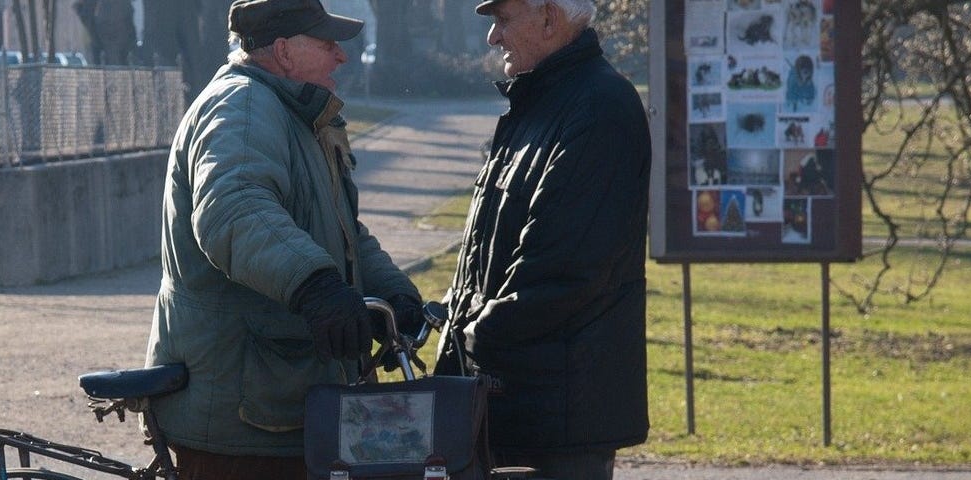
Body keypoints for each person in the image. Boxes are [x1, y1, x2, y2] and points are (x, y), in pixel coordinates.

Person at [144, 0, 424, 479]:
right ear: (284, 52)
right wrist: (316, 287)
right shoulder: (244, 107)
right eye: (327, 44)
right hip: (245, 422)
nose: (342, 56)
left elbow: (342, 230)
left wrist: (396, 292)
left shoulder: (293, 113)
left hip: (282, 404)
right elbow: (234, 211)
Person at [433, 0, 652, 479]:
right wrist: (443, 317)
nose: (493, 38)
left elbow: (561, 272)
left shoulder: (599, 108)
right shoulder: (538, 104)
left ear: (550, 19)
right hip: (514, 406)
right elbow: (488, 252)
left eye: (503, 20)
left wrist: (470, 338)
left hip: (558, 421)